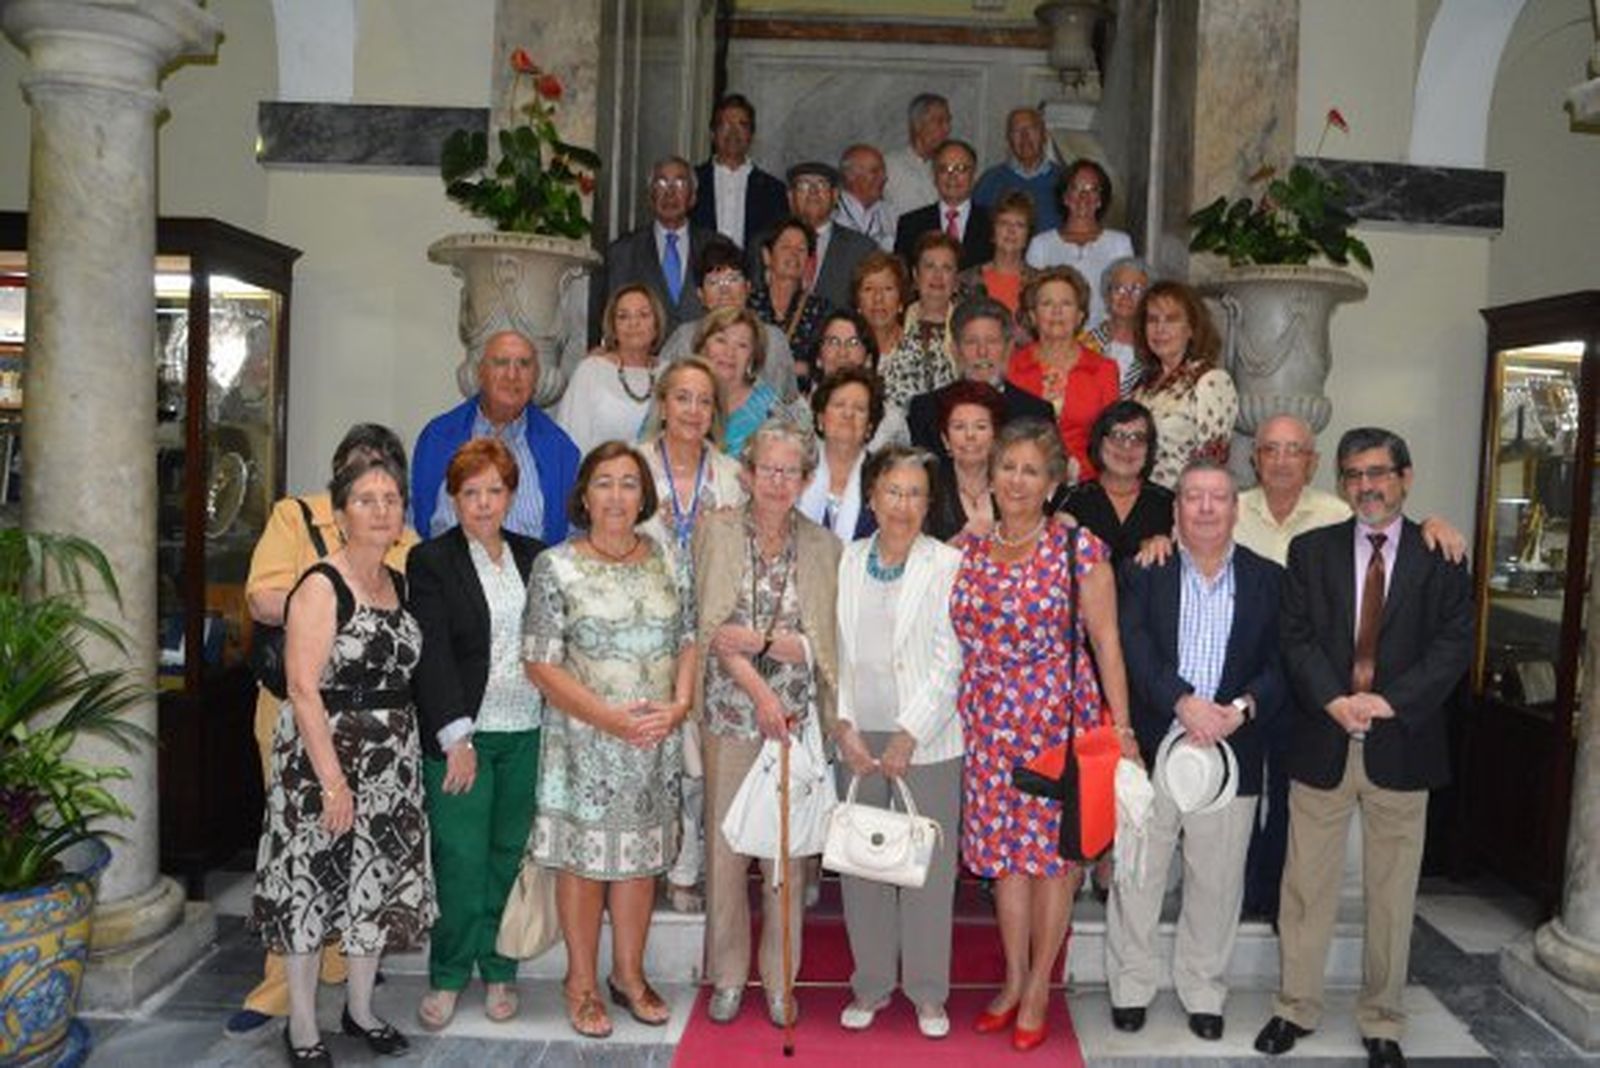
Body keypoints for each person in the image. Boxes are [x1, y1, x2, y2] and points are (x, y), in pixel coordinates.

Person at [1254, 427, 1472, 1068]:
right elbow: (1294, 639)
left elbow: (1454, 645)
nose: (1366, 486)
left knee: (1391, 893)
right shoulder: (1312, 551)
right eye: (1353, 475)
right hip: (1322, 738)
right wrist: (1334, 699)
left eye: (1378, 472)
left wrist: (1389, 701)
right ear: (1341, 483)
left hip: (1402, 742)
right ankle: (1294, 1007)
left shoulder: (1441, 555)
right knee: (1305, 888)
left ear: (1405, 476)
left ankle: (1383, 1019)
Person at [950, 418, 1137, 1052]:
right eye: (1008, 467)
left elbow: (1108, 640)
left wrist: (1124, 727)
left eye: (1032, 470)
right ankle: (1009, 979)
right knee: (1005, 862)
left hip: (1057, 721)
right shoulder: (971, 550)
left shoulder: (1076, 548)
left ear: (1054, 481)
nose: (1018, 480)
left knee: (1053, 862)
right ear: (991, 477)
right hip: (987, 727)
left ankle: (1038, 988)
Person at [227, 424, 419, 1040]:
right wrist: (334, 781)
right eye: (364, 488)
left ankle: (357, 1005)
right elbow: (265, 607)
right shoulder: (304, 542)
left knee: (369, 881)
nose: (380, 502)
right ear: (339, 500)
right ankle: (294, 1013)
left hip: (389, 758)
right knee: (308, 880)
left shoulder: (404, 561)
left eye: (389, 486)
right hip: (321, 748)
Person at [1107, 459, 1285, 1043]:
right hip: (1156, 745)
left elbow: (1283, 663)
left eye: (1218, 498)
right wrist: (1183, 701)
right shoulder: (1144, 570)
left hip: (1233, 749)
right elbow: (1132, 645)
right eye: (1193, 498)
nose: (1206, 508)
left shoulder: (1270, 579)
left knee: (1217, 881)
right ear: (1176, 508)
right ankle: (1132, 987)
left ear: (1236, 508)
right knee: (1138, 875)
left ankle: (1204, 990)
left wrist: (1240, 708)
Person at [522, 441, 696, 1040]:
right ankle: (581, 984)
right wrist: (609, 719)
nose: (617, 496)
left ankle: (629, 974)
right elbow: (540, 663)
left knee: (640, 864)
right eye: (604, 483)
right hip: (584, 744)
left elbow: (691, 637)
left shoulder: (668, 558)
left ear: (643, 494)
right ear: (584, 495)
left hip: (653, 741)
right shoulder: (557, 566)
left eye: (628, 483)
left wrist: (680, 704)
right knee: (587, 865)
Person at [696, 419, 841, 1027]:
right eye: (768, 469)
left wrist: (761, 641)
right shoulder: (717, 530)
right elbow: (708, 630)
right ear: (748, 473)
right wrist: (759, 688)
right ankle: (728, 976)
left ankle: (782, 983)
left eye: (791, 471)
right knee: (727, 854)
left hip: (797, 726)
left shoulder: (825, 547)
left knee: (788, 861)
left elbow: (823, 644)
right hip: (732, 716)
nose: (778, 482)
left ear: (807, 479)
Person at [409, 439, 546, 1032]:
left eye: (494, 490)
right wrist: (454, 737)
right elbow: (431, 652)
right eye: (471, 492)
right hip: (464, 736)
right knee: (460, 860)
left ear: (511, 495)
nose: (484, 503)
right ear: (454, 497)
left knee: (507, 858)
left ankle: (499, 969)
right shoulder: (431, 561)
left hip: (528, 731)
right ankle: (446, 975)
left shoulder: (536, 556)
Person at [832, 446, 964, 1039]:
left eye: (915, 493)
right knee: (863, 867)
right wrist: (843, 727)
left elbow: (951, 658)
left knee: (927, 872)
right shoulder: (847, 560)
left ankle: (929, 992)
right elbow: (831, 652)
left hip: (927, 740)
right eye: (892, 491)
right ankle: (872, 984)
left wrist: (911, 733)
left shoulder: (946, 564)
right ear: (871, 497)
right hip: (859, 738)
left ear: (928, 502)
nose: (903, 505)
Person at [638, 358, 746, 914]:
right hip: (642, 629)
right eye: (683, 398)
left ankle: (687, 866)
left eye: (704, 401)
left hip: (708, 631)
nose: (693, 411)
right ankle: (644, 861)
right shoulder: (630, 466)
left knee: (700, 758)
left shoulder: (730, 475)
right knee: (647, 745)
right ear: (662, 404)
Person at [411, 329, 580, 544]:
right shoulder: (436, 438)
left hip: (529, 575)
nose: (512, 374)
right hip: (448, 574)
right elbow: (412, 524)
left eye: (524, 364)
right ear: (480, 373)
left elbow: (572, 538)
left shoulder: (561, 451)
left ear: (536, 377)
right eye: (501, 362)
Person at [1006, 266, 1120, 481]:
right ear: (1032, 315)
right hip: (1021, 482)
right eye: (1047, 304)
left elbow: (1110, 440)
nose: (1056, 311)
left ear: (1080, 316)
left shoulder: (1104, 369)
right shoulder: (1011, 366)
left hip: (1085, 485)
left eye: (1066, 304)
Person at [906, 296, 1053, 461]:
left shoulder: (1036, 414)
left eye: (992, 341)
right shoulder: (926, 410)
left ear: (1009, 348)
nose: (982, 352)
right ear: (954, 350)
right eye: (971, 342)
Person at [657, 234, 798, 403]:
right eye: (714, 282)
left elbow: (790, 403)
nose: (724, 290)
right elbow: (661, 395)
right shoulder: (684, 338)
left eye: (733, 279)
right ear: (700, 295)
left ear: (748, 287)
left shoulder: (773, 339)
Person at [1129, 280, 1238, 490]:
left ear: (1191, 329)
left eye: (1171, 319)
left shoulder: (1210, 381)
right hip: (1139, 502)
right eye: (1152, 320)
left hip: (1185, 506)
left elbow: (1212, 464)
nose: (1160, 329)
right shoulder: (1142, 385)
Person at [597, 156, 717, 336]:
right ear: (650, 197)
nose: (670, 192)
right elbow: (610, 316)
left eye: (679, 183)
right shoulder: (622, 252)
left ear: (693, 197)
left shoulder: (717, 247)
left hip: (700, 359)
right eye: (661, 183)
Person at [1059, 400, 1173, 566]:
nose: (1127, 446)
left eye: (1138, 438)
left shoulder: (1169, 505)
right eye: (1117, 435)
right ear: (1100, 441)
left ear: (1149, 449)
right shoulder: (1071, 501)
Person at [556, 283, 665, 454]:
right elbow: (570, 442)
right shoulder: (591, 371)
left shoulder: (670, 373)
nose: (633, 323)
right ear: (613, 328)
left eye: (643, 315)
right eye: (623, 316)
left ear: (657, 324)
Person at [1025, 159, 1135, 327]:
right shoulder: (1041, 244)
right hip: (1055, 335)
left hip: (1107, 340)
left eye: (1092, 189)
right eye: (1076, 188)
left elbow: (1128, 297)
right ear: (1065, 197)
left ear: (1100, 199)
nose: (1084, 196)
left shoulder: (1119, 243)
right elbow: (1032, 299)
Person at [797, 366, 885, 541]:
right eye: (839, 405)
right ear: (821, 418)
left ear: (869, 427)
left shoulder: (883, 477)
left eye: (859, 409)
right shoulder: (795, 468)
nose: (848, 414)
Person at [691, 93, 788, 250]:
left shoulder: (774, 191)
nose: (733, 133)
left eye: (742, 125)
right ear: (712, 134)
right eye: (725, 125)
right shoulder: (692, 182)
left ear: (751, 134)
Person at [802, 309, 909, 450]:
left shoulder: (891, 421)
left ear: (868, 359)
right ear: (818, 358)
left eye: (853, 342)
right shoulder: (796, 416)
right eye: (833, 341)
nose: (842, 352)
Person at [879, 234, 960, 410]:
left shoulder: (967, 327)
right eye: (929, 266)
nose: (937, 276)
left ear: (956, 280)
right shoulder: (892, 320)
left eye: (947, 268)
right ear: (915, 275)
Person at [783, 160, 877, 313]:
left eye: (822, 185)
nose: (813, 192)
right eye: (803, 185)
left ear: (835, 196)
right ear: (790, 197)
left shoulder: (862, 249)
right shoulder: (766, 243)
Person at [749, 215, 830, 385]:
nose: (793, 254)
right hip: (752, 403)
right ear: (767, 256)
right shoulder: (747, 306)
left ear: (809, 262)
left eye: (801, 249)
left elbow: (828, 364)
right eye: (785, 247)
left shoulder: (821, 310)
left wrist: (804, 369)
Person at [924, 380, 1005, 543]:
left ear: (995, 437)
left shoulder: (1014, 484)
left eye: (980, 427)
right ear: (945, 439)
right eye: (959, 427)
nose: (970, 435)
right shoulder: (928, 487)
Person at [894, 139, 994, 271]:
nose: (952, 176)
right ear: (934, 176)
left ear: (974, 175)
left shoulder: (993, 222)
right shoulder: (910, 224)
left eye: (961, 169)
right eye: (944, 169)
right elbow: (902, 277)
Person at [696, 305, 780, 458]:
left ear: (753, 358)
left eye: (742, 345)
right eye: (721, 340)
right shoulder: (678, 395)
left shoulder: (770, 407)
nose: (729, 352)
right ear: (703, 348)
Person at [956, 189, 1039, 330]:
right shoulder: (965, 281)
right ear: (993, 232)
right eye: (1004, 223)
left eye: (1019, 225)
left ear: (1028, 236)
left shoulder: (1040, 283)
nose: (1011, 231)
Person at [974, 106, 1063, 233]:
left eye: (1031, 129)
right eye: (1017, 131)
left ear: (1044, 135)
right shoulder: (990, 181)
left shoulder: (1065, 180)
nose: (1025, 136)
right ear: (1009, 139)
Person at [882, 93, 951, 228]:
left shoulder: (947, 167)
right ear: (918, 125)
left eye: (948, 121)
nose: (947, 129)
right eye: (940, 121)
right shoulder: (889, 165)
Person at [1085, 256, 1151, 396]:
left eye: (1137, 290)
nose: (1126, 296)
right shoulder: (1083, 343)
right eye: (1119, 288)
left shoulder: (1154, 348)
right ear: (1107, 295)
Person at [834, 143, 894, 252]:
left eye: (883, 172)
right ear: (850, 176)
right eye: (875, 171)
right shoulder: (831, 211)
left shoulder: (889, 212)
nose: (884, 177)